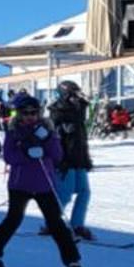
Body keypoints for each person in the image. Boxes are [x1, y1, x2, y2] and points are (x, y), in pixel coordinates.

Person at [0, 93, 88, 267]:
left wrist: (48, 141)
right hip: (20, 185)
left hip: (44, 184)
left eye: (34, 112)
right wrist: (27, 153)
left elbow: (57, 155)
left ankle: (72, 261)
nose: (30, 116)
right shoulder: (14, 132)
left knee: (56, 224)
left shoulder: (47, 130)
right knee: (13, 219)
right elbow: (9, 157)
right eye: (25, 113)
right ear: (19, 114)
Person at [51, 79, 95, 240]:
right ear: (65, 94)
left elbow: (82, 138)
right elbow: (53, 136)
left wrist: (86, 158)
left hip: (79, 157)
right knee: (66, 193)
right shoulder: (57, 110)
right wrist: (61, 130)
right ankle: (52, 223)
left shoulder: (79, 110)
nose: (76, 97)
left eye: (77, 93)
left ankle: (77, 225)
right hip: (65, 159)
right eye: (72, 94)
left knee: (84, 192)